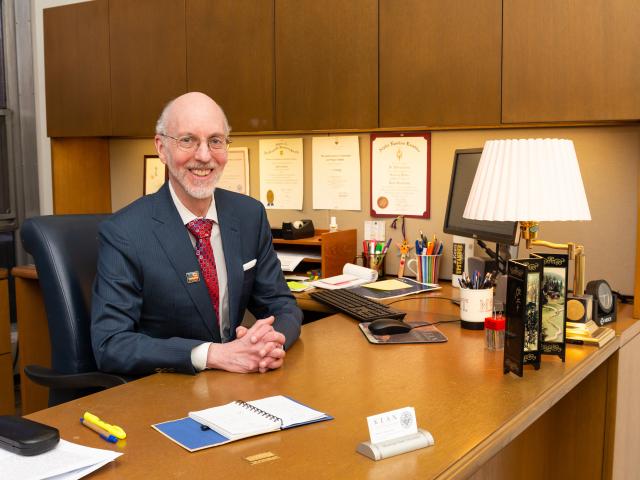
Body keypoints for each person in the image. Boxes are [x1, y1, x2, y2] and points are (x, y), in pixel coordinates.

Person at [91, 92, 302, 376]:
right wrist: (213, 355)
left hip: (238, 383)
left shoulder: (249, 215)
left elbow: (282, 305)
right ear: (162, 148)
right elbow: (111, 344)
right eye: (188, 140)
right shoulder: (126, 232)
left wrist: (270, 343)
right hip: (165, 389)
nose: (204, 156)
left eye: (215, 141)